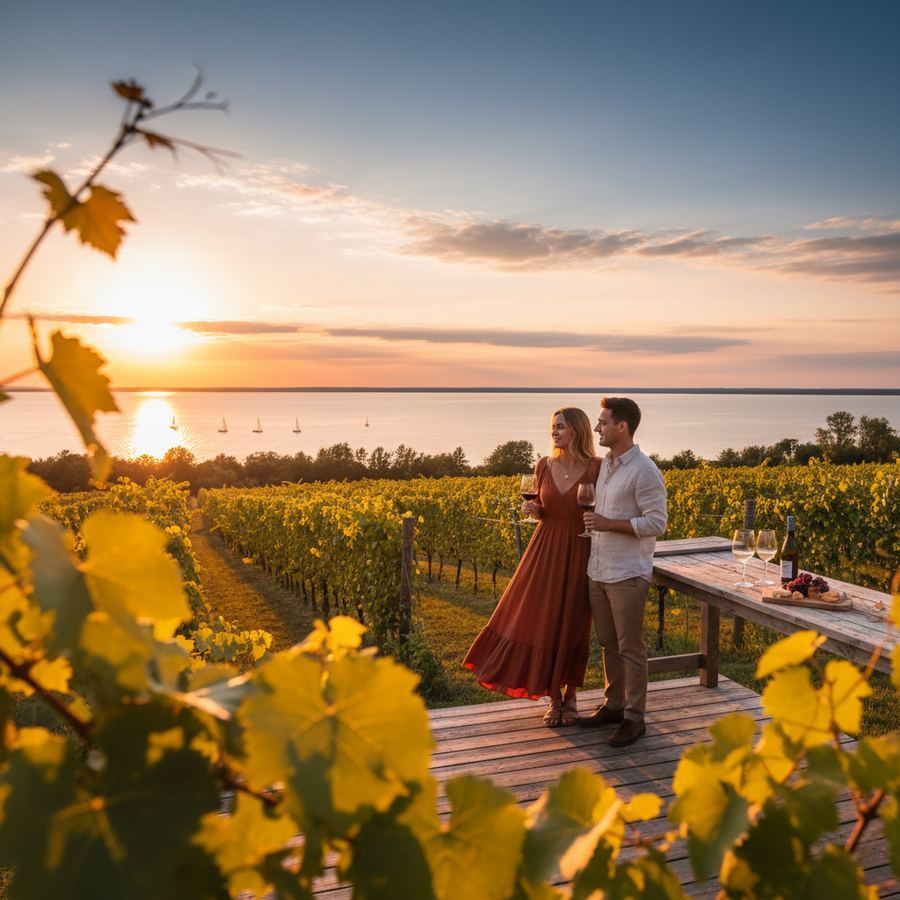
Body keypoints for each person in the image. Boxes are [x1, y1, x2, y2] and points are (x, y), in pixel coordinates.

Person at [463, 407, 600, 726]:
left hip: (581, 548)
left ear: (578, 431)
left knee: (574, 622)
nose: (554, 432)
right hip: (545, 550)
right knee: (545, 619)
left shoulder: (597, 467)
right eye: (553, 427)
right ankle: (554, 697)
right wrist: (534, 508)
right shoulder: (544, 465)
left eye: (561, 427)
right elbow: (542, 507)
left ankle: (572, 696)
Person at [577, 397, 667, 747]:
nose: (597, 428)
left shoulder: (644, 470)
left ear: (622, 426)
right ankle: (614, 705)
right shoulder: (608, 465)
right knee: (607, 643)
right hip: (598, 568)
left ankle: (634, 718)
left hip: (628, 572)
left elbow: (657, 522)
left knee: (630, 647)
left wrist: (607, 523)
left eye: (602, 422)